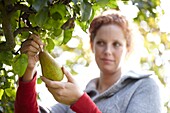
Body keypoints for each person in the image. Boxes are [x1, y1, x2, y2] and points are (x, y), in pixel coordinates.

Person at [14, 9, 164, 113]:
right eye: (101, 43)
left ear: (128, 47)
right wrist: (28, 71)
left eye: (116, 44)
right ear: (92, 46)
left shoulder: (144, 86)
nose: (107, 51)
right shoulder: (79, 93)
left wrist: (80, 102)